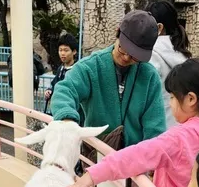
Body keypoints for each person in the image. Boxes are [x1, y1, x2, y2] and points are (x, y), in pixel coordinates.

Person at [59, 58, 199, 187]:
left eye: (172, 97)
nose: (170, 103)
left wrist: (92, 175)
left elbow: (137, 155)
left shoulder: (179, 137)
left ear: (191, 99)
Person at [49, 10, 166, 150]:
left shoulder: (149, 75)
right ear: (117, 33)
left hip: (133, 161)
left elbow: (155, 126)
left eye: (136, 56)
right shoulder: (91, 66)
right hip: (96, 155)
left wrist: (151, 158)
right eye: (123, 49)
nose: (127, 58)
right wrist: (67, 120)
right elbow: (65, 90)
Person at [145, 0, 191, 129]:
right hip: (179, 126)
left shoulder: (150, 54)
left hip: (155, 128)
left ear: (159, 27)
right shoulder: (182, 53)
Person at [45, 33, 79, 105]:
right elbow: (54, 83)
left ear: (74, 51)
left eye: (66, 50)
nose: (62, 53)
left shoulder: (78, 70)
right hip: (57, 107)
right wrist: (50, 90)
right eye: (60, 50)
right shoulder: (60, 68)